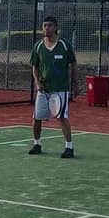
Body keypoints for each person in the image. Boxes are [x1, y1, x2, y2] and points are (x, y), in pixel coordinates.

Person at [29, 15, 79, 158]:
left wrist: (75, 83)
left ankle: (69, 147)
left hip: (60, 89)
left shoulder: (64, 45)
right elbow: (35, 67)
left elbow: (73, 64)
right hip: (43, 90)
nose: (47, 28)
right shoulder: (38, 46)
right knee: (37, 118)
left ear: (56, 27)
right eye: (44, 25)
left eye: (50, 25)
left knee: (62, 117)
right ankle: (37, 144)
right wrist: (37, 83)